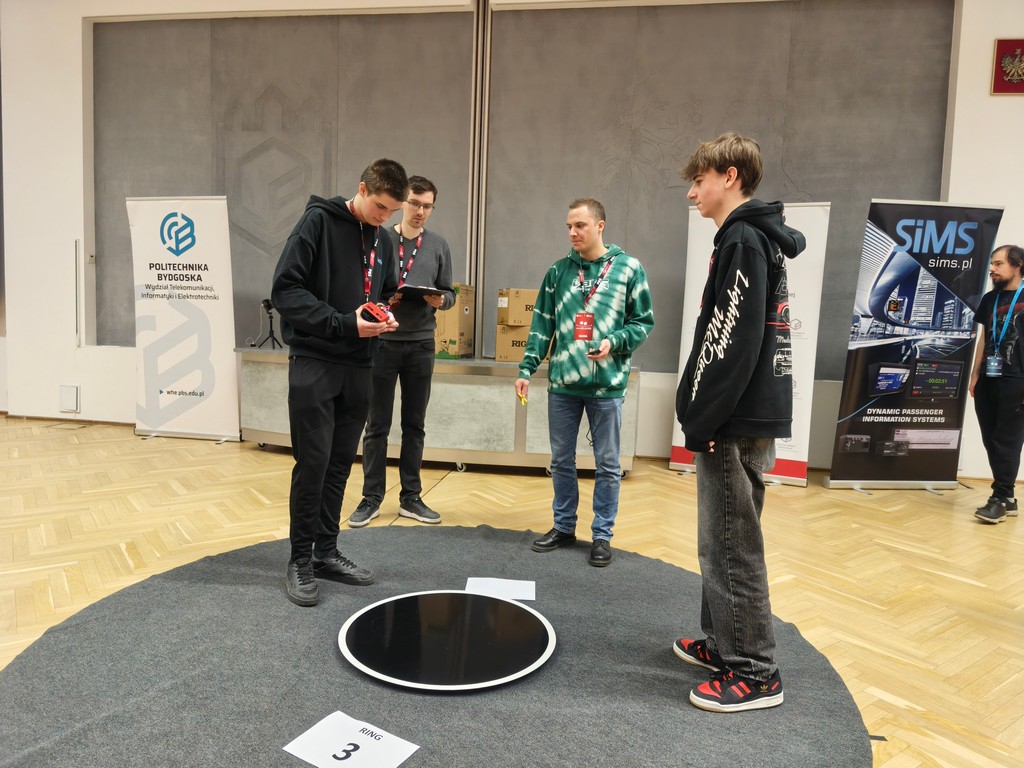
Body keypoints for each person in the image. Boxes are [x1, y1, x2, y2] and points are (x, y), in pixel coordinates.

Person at [674, 132, 805, 712]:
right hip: (742, 415)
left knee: (731, 544)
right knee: (721, 539)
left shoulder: (744, 239)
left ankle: (754, 671)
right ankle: (724, 644)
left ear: (729, 177)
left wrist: (701, 417)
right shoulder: (750, 237)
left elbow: (732, 342)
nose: (691, 193)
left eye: (698, 181)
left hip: (734, 419)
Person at [270, 158, 408, 607]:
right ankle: (299, 560)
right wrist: (343, 323)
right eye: (380, 206)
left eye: (392, 211)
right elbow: (285, 291)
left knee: (338, 465)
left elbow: (383, 290)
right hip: (315, 361)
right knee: (312, 463)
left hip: (360, 364)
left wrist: (382, 314)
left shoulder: (383, 238)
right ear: (362, 188)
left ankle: (326, 552)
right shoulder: (317, 222)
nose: (385, 217)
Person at [514, 198, 654, 567]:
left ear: (600, 225)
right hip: (563, 385)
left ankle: (602, 535)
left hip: (607, 386)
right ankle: (564, 527)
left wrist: (614, 342)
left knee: (607, 463)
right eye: (569, 226)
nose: (573, 233)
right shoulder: (558, 272)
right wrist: (526, 369)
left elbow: (643, 322)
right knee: (561, 460)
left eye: (580, 225)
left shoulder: (628, 268)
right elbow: (541, 324)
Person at [349, 176, 456, 528]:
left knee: (415, 425)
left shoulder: (438, 245)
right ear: (403, 202)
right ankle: (371, 498)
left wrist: (442, 300)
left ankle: (411, 497)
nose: (420, 211)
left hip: (422, 343)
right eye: (414, 203)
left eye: (427, 206)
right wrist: (385, 299)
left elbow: (450, 293)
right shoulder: (379, 238)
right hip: (383, 342)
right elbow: (365, 286)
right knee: (376, 424)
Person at [969, 244, 1024, 524]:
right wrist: (975, 373)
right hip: (988, 378)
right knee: (991, 438)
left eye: (999, 264)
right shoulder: (990, 298)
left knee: (1007, 440)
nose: (992, 269)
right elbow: (984, 338)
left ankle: (999, 499)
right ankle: (1009, 498)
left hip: (1017, 380)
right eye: (992, 263)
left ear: (1017, 266)